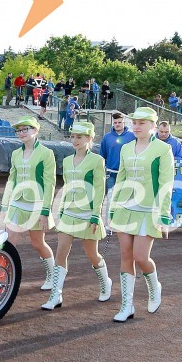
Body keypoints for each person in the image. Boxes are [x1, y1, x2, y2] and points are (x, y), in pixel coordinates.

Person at [108, 107, 175, 322]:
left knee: (140, 257)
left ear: (153, 126)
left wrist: (164, 216)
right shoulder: (126, 148)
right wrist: (113, 207)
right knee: (126, 256)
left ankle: (154, 286)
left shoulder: (163, 149)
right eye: (134, 123)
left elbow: (166, 183)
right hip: (125, 209)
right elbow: (121, 179)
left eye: (142, 123)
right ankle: (126, 305)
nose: (136, 127)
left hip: (149, 211)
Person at [41, 121, 112, 310]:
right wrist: (61, 210)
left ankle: (106, 283)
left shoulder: (97, 161)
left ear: (90, 138)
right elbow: (66, 188)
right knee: (61, 252)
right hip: (69, 214)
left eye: (79, 137)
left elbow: (99, 190)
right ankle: (55, 295)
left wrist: (96, 216)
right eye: (72, 136)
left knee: (92, 255)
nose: (75, 140)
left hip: (88, 215)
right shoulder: (66, 160)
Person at [1, 116, 57, 291]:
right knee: (8, 243)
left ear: (36, 130)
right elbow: (12, 180)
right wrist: (4, 206)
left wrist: (45, 211)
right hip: (17, 204)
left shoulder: (46, 153)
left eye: (26, 129)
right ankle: (1, 279)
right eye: (19, 130)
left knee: (38, 243)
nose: (21, 133)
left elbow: (50, 183)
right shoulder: (15, 153)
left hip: (37, 205)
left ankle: (52, 275)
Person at [100, 112, 136, 193]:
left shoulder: (132, 136)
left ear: (124, 122)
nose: (117, 124)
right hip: (111, 173)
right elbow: (102, 154)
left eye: (119, 122)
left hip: (127, 173)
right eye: (115, 123)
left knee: (125, 197)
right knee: (111, 196)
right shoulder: (107, 137)